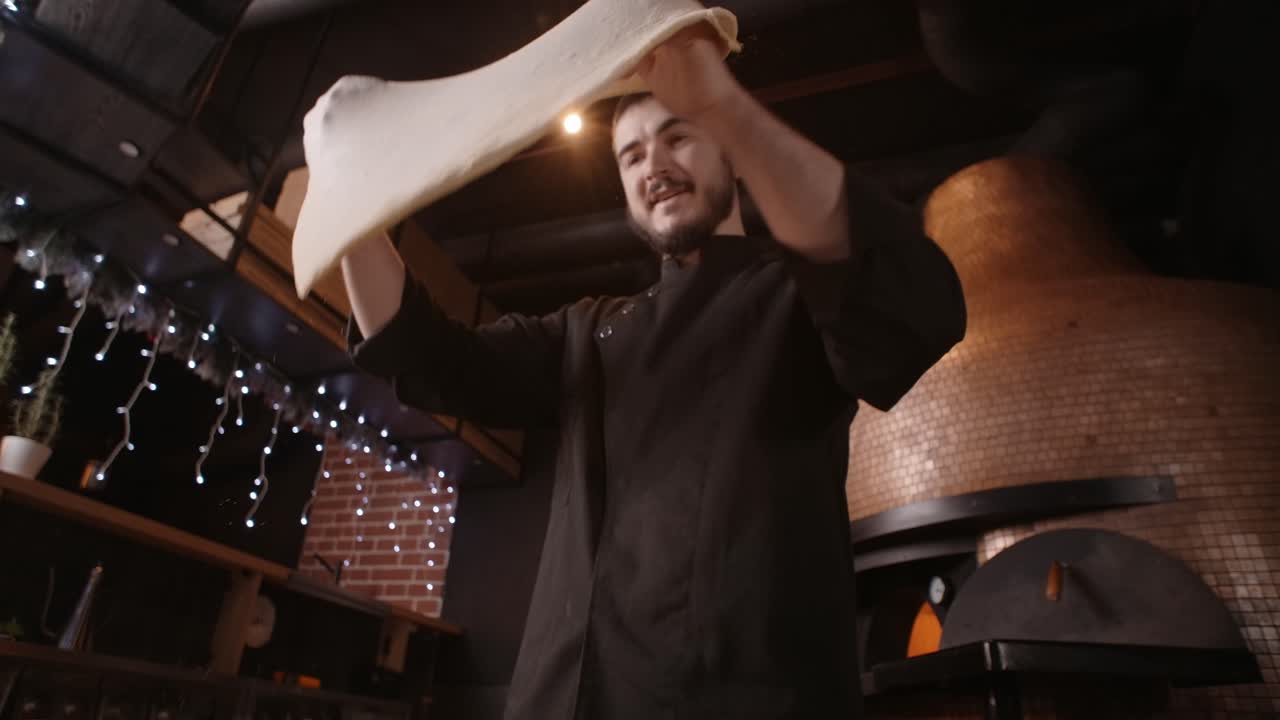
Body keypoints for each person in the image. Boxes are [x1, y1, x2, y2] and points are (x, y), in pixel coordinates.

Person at [340, 27, 966, 720]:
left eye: (679, 137)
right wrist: (351, 205)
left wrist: (723, 105)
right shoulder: (586, 330)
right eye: (631, 155)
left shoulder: (793, 299)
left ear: (729, 149)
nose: (653, 166)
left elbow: (910, 306)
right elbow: (427, 355)